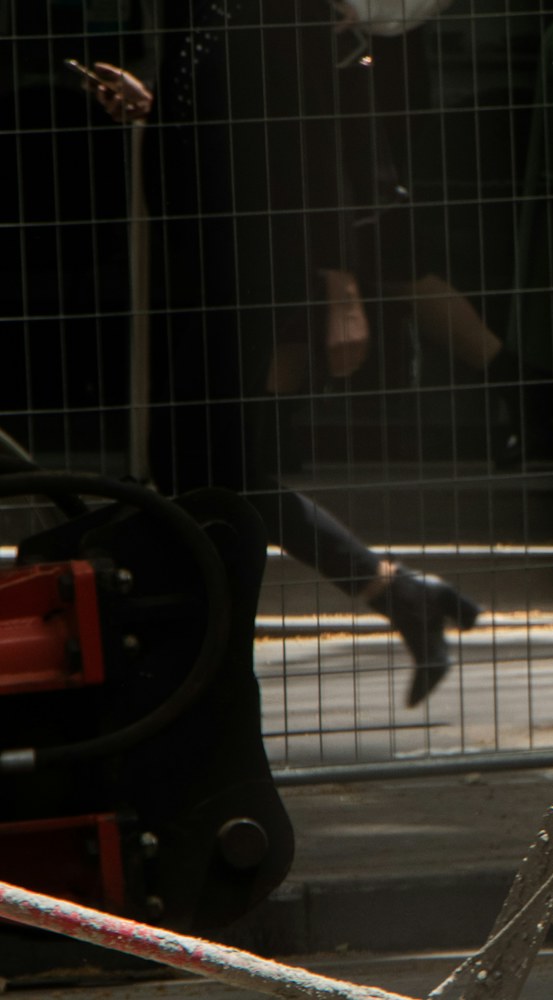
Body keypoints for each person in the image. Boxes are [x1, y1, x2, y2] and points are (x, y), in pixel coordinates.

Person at [86, 0, 482, 708]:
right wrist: (159, 109)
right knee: (208, 462)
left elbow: (312, 137)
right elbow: (230, 100)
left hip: (262, 255)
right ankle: (395, 596)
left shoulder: (282, 8)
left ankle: (206, 665)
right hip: (205, 245)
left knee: (203, 461)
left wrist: (340, 288)